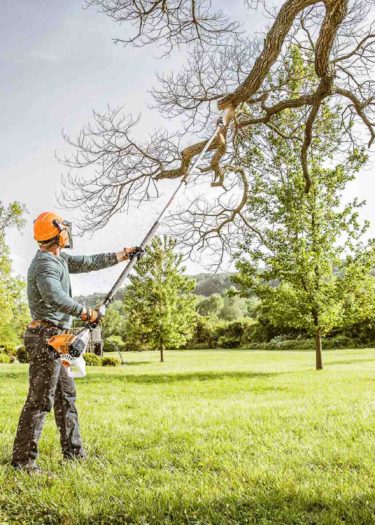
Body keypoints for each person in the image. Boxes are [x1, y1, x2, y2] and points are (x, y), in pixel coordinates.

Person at [11, 211, 140, 473]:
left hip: (57, 339)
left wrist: (122, 254)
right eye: (64, 229)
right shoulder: (45, 265)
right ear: (57, 233)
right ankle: (23, 463)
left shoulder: (60, 259)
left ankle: (74, 453)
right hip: (46, 338)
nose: (68, 232)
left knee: (66, 396)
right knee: (40, 400)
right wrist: (85, 313)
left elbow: (90, 261)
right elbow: (55, 297)